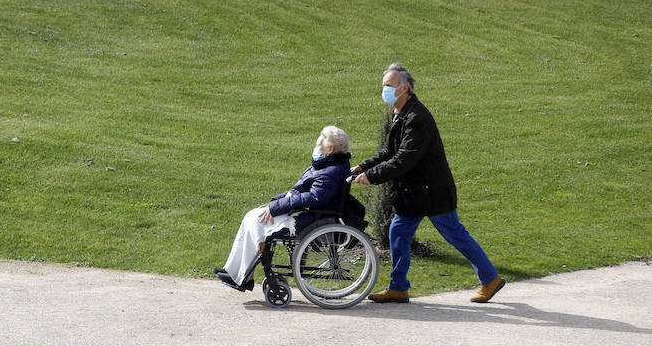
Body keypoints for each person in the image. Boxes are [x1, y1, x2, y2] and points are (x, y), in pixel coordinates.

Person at [351, 63, 504, 303]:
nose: (384, 90)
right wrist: (363, 166)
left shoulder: (417, 118)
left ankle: (490, 279)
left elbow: (404, 158)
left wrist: (373, 176)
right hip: (414, 193)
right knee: (398, 232)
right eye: (384, 86)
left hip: (431, 193)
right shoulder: (401, 114)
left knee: (455, 235)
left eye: (389, 86)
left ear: (405, 88)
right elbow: (390, 151)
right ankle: (398, 287)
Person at [214, 126, 352, 291]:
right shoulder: (325, 165)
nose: (317, 141)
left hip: (310, 216)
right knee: (252, 216)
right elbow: (298, 192)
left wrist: (276, 208)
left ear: (330, 149)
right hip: (304, 211)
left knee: (258, 223)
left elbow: (313, 198)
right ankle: (236, 272)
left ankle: (244, 276)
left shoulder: (331, 171)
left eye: (322, 138)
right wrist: (275, 202)